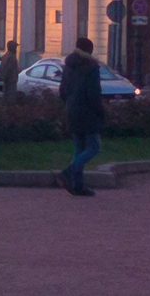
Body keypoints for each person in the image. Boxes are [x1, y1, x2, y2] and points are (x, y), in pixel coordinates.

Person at [59, 38, 105, 197]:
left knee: (79, 147)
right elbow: (94, 94)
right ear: (90, 50)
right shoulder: (91, 68)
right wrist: (100, 112)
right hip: (87, 112)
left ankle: (78, 186)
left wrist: (69, 104)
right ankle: (69, 171)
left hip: (71, 110)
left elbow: (62, 91)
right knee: (94, 147)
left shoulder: (68, 66)